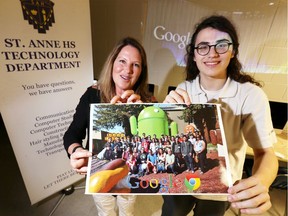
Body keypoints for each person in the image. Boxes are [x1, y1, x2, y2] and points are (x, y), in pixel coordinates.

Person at [161, 15, 278, 216]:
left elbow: (265, 153)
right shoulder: (183, 89)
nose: (212, 53)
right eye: (203, 47)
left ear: (232, 51)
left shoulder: (251, 95)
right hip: (182, 181)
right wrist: (165, 114)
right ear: (194, 55)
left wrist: (261, 182)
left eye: (221, 45)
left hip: (220, 191)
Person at [63, 37, 152, 216]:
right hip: (99, 171)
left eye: (136, 65)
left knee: (127, 211)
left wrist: (140, 112)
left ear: (141, 71)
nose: (127, 70)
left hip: (129, 174)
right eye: (122, 61)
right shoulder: (92, 95)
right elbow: (71, 134)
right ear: (112, 62)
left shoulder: (146, 103)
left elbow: (150, 143)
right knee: (106, 212)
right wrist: (76, 151)